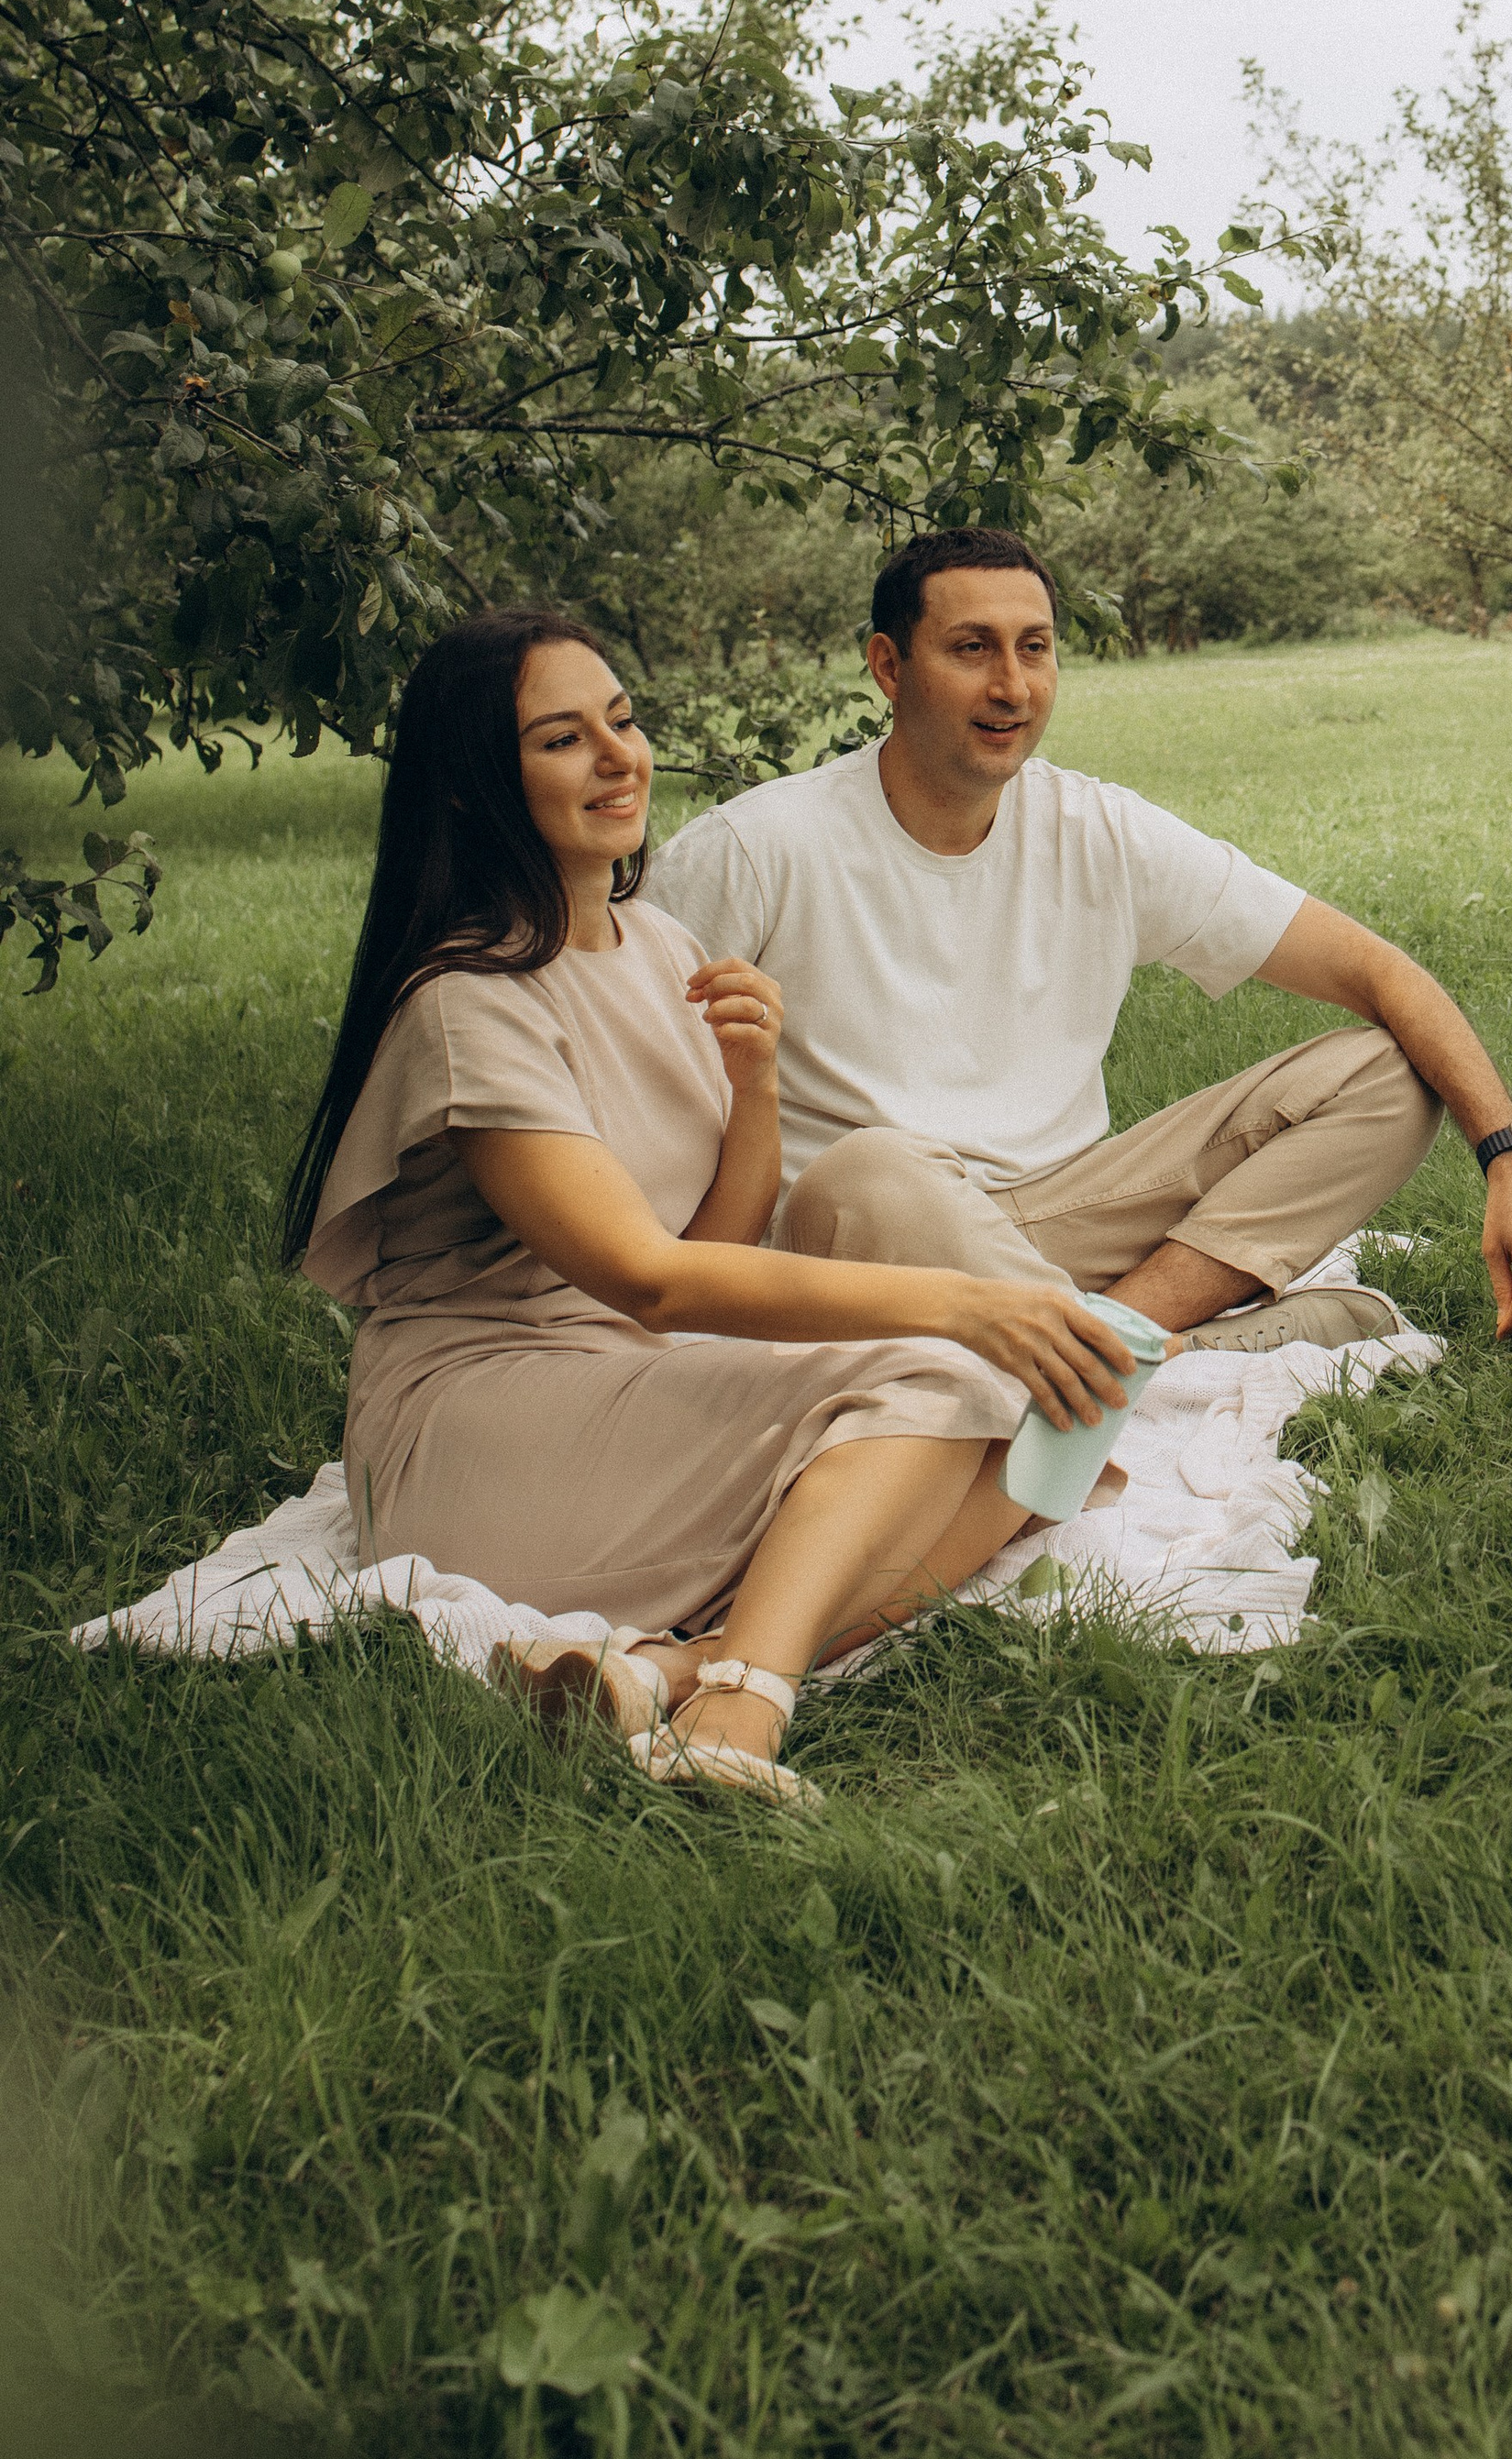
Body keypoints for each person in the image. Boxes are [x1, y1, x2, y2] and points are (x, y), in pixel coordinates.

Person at [285, 608, 1142, 1806]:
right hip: (477, 1426)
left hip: (625, 1371)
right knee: (945, 1375)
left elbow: (712, 1247)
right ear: (476, 788)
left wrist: (755, 1088)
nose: (619, 756)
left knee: (1055, 1418)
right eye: (562, 740)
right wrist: (963, 1304)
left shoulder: (655, 942)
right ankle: (745, 1713)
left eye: (623, 723)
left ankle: (677, 1671)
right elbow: (650, 1279)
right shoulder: (467, 1004)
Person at [649, 527, 1512, 1351]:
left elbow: (1375, 970)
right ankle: (1146, 1349)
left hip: (1067, 1207)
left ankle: (1116, 1342)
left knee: (1384, 1071)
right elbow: (633, 1082)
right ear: (889, 666)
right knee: (874, 1165)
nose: (1011, 686)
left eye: (1035, 649)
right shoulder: (753, 848)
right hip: (864, 1239)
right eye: (970, 649)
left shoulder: (1096, 828)